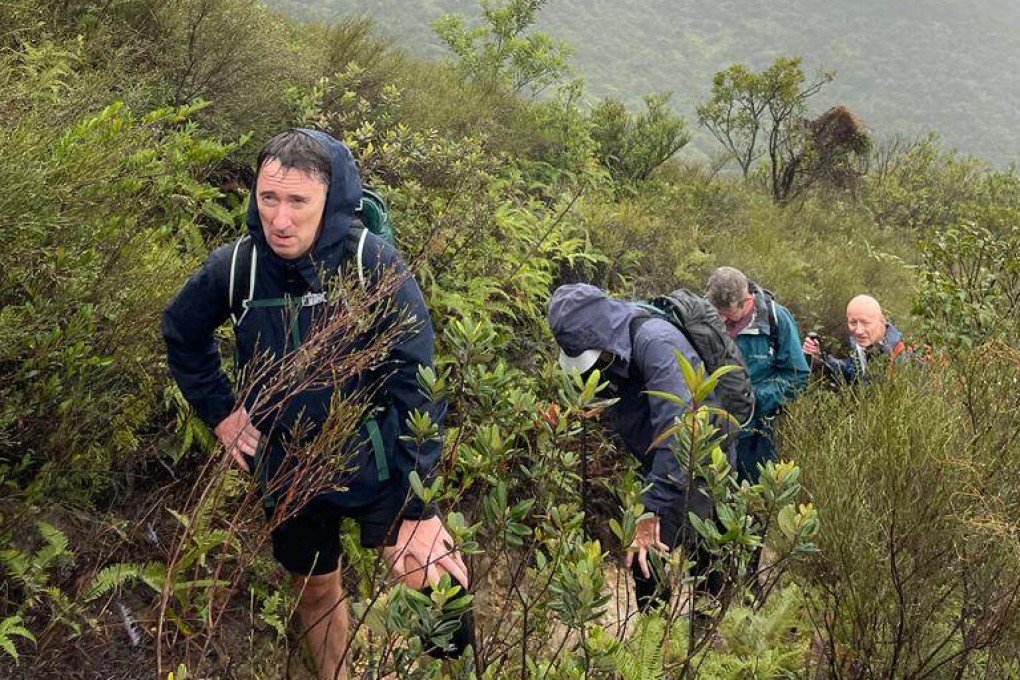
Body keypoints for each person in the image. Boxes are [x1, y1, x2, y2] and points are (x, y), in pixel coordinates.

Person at [162, 129, 471, 679]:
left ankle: (454, 667)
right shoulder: (238, 267)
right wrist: (222, 414)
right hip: (286, 467)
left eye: (297, 201)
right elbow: (182, 332)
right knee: (313, 589)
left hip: (374, 459)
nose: (280, 219)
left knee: (433, 577)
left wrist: (419, 506)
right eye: (268, 198)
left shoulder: (370, 264)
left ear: (329, 201)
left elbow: (416, 383)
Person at [547, 283, 729, 613]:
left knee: (695, 552)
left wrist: (652, 508)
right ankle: (653, 643)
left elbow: (681, 431)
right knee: (647, 557)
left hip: (700, 461)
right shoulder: (615, 344)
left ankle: (707, 640)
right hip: (661, 463)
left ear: (601, 333)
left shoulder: (657, 342)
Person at [706, 267, 809, 484]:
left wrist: (752, 398)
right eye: (718, 310)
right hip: (710, 427)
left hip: (756, 432)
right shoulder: (705, 314)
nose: (722, 318)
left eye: (728, 311)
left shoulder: (775, 320)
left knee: (753, 495)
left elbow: (796, 376)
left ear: (747, 299)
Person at [802, 294, 909, 385]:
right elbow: (853, 372)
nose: (858, 330)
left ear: (882, 320)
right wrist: (821, 358)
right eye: (853, 323)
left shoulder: (901, 352)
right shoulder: (862, 344)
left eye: (866, 323)